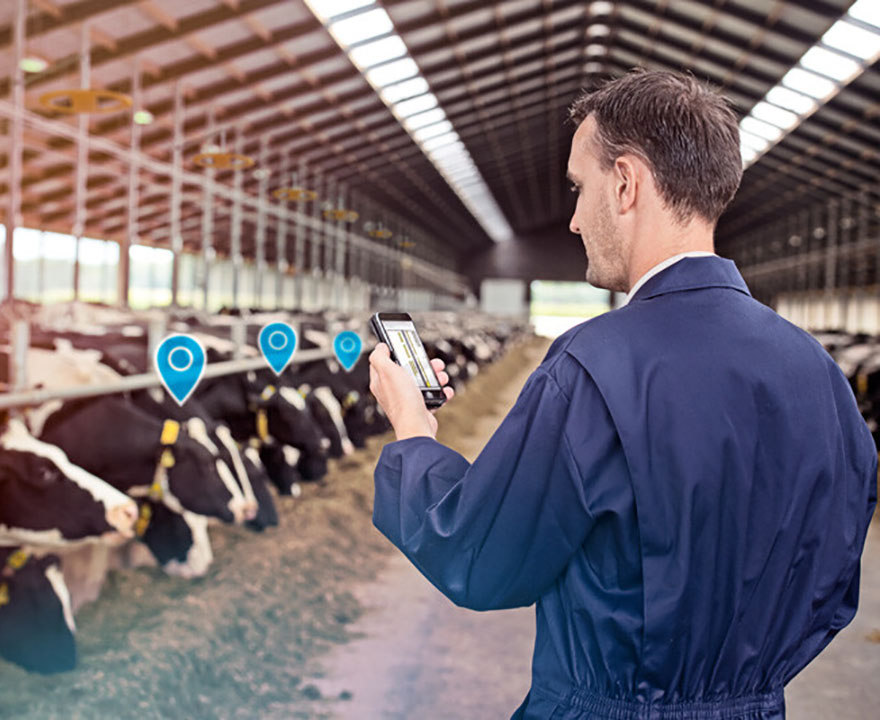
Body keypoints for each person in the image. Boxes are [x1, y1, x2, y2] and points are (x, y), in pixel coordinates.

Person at [367, 69, 877, 720]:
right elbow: (834, 582)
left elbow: (481, 557)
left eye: (580, 190)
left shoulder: (595, 365)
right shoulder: (818, 372)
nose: (575, 220)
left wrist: (414, 435)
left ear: (628, 183)